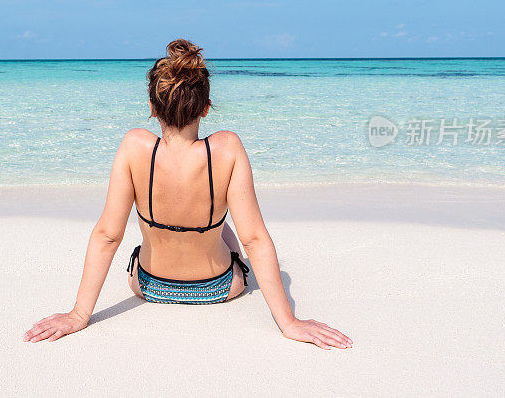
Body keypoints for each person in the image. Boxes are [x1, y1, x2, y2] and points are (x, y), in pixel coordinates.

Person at [23, 39, 352, 350]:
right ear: (206, 108)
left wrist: (78, 314)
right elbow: (254, 238)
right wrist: (289, 322)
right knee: (226, 228)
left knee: (172, 229)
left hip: (148, 286)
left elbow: (108, 234)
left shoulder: (134, 146)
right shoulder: (228, 148)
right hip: (221, 289)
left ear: (152, 107)